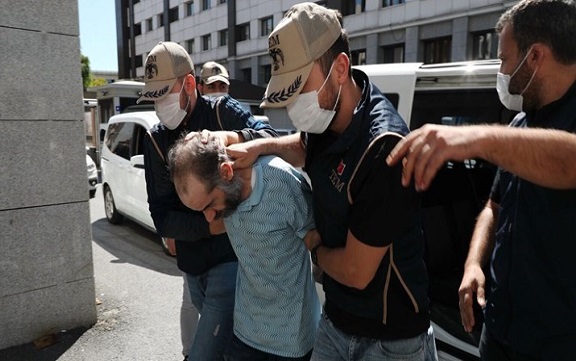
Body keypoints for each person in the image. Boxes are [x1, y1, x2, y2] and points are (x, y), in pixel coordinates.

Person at [218, 3, 437, 360]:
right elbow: (304, 147)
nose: (293, 105)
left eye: (300, 86)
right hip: (337, 320)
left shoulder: (384, 149)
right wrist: (258, 144)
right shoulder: (327, 116)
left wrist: (313, 246)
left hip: (389, 339)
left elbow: (355, 271)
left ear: (339, 68)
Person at [387, 0, 576, 359]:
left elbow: (569, 161)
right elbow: (494, 205)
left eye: (504, 60)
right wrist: (474, 262)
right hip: (499, 330)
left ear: (535, 56)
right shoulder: (522, 122)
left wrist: (476, 139)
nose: (501, 70)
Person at [138, 41, 277, 361]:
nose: (160, 105)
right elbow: (162, 217)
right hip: (190, 266)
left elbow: (269, 137)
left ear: (189, 83)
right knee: (226, 346)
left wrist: (234, 138)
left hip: (232, 260)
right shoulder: (156, 141)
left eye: (165, 94)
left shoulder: (221, 111)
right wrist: (212, 226)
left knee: (204, 352)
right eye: (154, 98)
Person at [168, 132, 321, 361]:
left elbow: (316, 241)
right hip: (245, 332)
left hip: (292, 338)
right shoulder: (225, 190)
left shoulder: (280, 180)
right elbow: (211, 149)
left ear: (227, 173)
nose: (210, 218)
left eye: (210, 205)